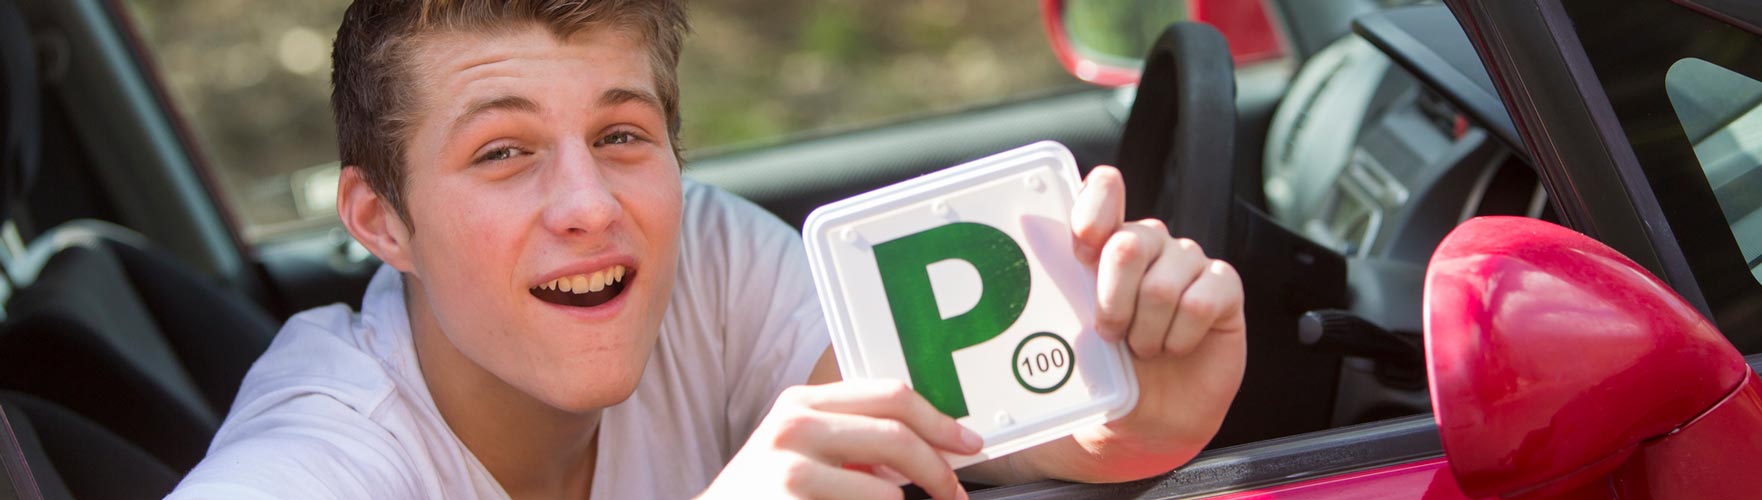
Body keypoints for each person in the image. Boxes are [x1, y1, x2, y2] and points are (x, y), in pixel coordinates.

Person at [167, 1, 1246, 498]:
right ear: (378, 220)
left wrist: (1140, 407)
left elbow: (970, 425)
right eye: (504, 151)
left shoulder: (707, 259)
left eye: (622, 134)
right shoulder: (326, 447)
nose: (590, 204)